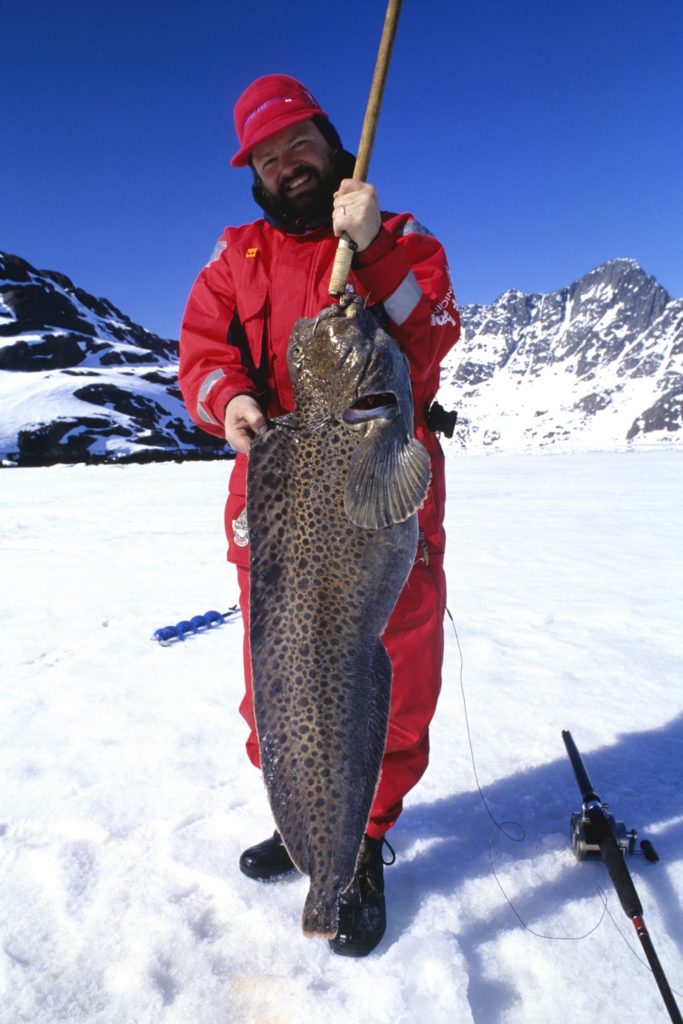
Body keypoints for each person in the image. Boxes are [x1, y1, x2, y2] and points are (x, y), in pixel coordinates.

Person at [179, 74, 460, 957]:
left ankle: (360, 842)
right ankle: (301, 822)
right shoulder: (234, 260)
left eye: (297, 143)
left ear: (329, 140)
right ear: (251, 172)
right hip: (275, 513)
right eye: (266, 156)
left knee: (388, 677)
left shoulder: (403, 240)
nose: (284, 163)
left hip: (378, 505)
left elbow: (431, 336)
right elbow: (200, 355)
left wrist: (372, 250)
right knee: (279, 678)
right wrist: (227, 401)